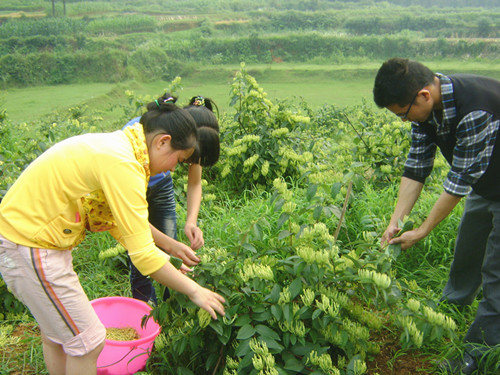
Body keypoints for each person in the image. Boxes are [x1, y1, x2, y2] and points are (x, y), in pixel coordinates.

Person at [0, 99, 225, 375]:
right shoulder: (124, 163)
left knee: (61, 335)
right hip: (29, 243)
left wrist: (170, 246)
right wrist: (195, 290)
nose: (171, 170)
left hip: (32, 239)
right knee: (89, 341)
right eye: (177, 161)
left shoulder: (123, 147)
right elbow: (143, 257)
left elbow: (119, 222)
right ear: (162, 142)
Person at [373, 57, 500, 374]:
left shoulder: (476, 108)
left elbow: (458, 182)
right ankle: (451, 308)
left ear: (423, 96)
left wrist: (424, 229)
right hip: (488, 184)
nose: (404, 121)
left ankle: (475, 353)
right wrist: (396, 222)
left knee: (496, 273)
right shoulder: (426, 108)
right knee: (468, 248)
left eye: (402, 114)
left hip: (485, 178)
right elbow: (416, 166)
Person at [125, 94, 220, 304]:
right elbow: (132, 223)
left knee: (168, 244)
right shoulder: (131, 152)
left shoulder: (189, 138)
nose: (177, 167)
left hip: (159, 185)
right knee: (141, 250)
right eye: (182, 159)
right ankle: (144, 308)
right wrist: (170, 245)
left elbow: (195, 183)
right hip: (132, 186)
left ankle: (171, 305)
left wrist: (191, 222)